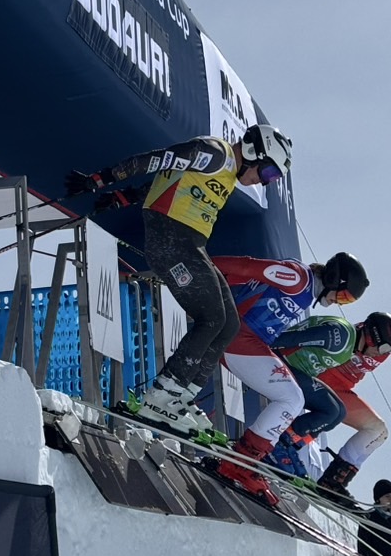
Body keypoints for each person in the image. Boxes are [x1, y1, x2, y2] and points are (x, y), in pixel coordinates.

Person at [65, 123, 292, 433]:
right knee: (210, 317)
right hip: (171, 240)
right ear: (254, 151)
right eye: (268, 174)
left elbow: (166, 184)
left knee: (229, 324)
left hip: (188, 243)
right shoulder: (215, 154)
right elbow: (159, 160)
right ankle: (161, 395)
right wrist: (102, 178)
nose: (263, 183)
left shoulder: (225, 176)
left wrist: (121, 196)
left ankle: (182, 397)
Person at [211, 252, 368, 504]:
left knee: (293, 398)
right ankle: (243, 460)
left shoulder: (303, 290)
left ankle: (245, 459)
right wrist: (203, 266)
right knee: (292, 398)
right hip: (241, 339)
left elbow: (247, 282)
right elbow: (247, 266)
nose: (338, 302)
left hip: (245, 340)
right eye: (342, 295)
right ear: (331, 279)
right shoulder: (298, 278)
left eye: (346, 301)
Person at [267, 312, 391, 481]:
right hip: (283, 366)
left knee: (337, 412)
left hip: (297, 372)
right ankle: (278, 446)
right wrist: (262, 350)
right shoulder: (343, 337)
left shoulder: (349, 346)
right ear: (371, 338)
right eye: (384, 349)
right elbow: (295, 337)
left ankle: (289, 447)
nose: (382, 354)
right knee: (331, 410)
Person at [314, 316, 391, 500]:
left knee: (379, 432)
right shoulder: (384, 336)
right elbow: (361, 331)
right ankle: (330, 479)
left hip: (340, 390)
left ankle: (336, 479)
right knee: (376, 429)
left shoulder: (386, 347)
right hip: (325, 381)